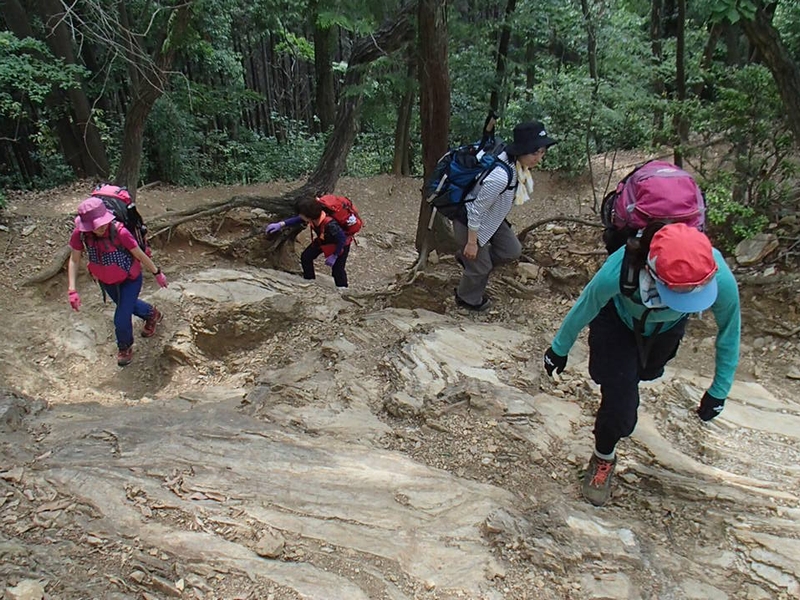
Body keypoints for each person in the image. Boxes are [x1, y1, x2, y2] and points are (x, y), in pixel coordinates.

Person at [542, 223, 740, 507]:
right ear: (651, 272)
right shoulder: (618, 271)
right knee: (620, 403)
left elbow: (729, 331)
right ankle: (603, 456)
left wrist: (720, 390)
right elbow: (588, 303)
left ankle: (623, 391)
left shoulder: (717, 276)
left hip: (664, 332)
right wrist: (559, 348)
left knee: (646, 373)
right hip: (617, 323)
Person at [455, 120, 557, 311]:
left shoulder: (516, 166)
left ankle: (471, 262)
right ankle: (466, 298)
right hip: (469, 221)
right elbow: (475, 209)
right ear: (522, 150)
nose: (539, 158)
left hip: (491, 219)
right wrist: (471, 243)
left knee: (512, 250)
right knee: (482, 267)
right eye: (534, 153)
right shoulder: (500, 176)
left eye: (542, 152)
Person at [67, 197, 168, 367]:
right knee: (127, 305)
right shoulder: (81, 234)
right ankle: (152, 314)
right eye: (96, 225)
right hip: (107, 281)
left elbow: (139, 254)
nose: (101, 227)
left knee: (121, 317)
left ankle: (124, 347)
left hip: (130, 279)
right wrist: (72, 290)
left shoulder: (120, 232)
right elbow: (74, 260)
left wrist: (157, 273)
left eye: (103, 223)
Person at [265, 197, 352, 288]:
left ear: (308, 216)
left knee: (338, 269)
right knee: (306, 257)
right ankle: (309, 281)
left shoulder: (331, 225)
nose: (300, 215)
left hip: (340, 244)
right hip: (323, 240)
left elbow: (342, 239)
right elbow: (298, 219)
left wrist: (335, 255)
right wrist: (281, 224)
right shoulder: (314, 217)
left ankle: (343, 289)